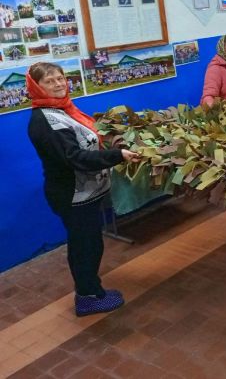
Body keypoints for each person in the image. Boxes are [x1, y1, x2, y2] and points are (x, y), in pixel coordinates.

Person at [26, 62, 140, 317]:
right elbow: (75, 158)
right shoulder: (44, 120)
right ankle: (87, 297)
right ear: (36, 87)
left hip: (86, 192)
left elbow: (85, 140)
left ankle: (91, 289)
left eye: (60, 78)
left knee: (89, 242)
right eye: (49, 81)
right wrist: (117, 155)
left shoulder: (63, 109)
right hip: (72, 194)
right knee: (85, 246)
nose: (58, 84)